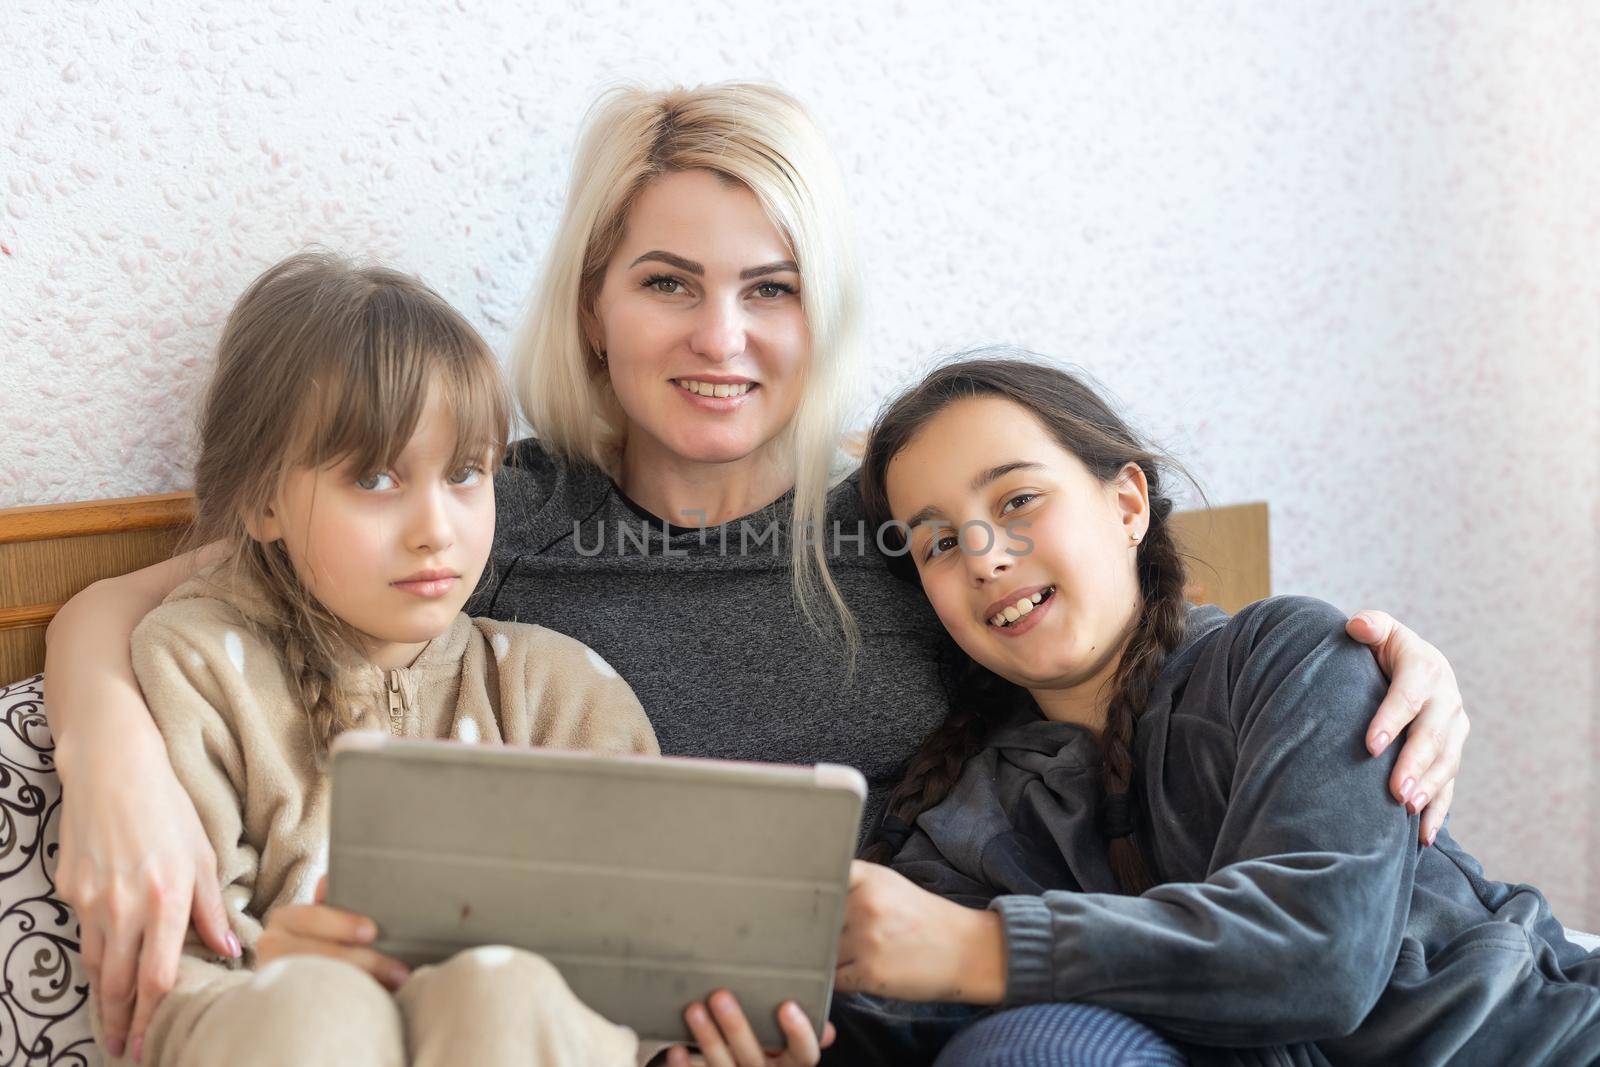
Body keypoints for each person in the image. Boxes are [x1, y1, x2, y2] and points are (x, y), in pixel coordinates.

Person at [44, 84, 1470, 1065]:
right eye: (668, 280)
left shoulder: (906, 522)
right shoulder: (486, 508)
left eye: (770, 288)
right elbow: (174, 589)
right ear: (596, 304)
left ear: (816, 311)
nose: (720, 336)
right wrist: (112, 758)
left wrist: (1377, 661)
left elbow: (1107, 638)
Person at [833, 353, 1600, 1066]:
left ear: (1127, 504)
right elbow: (880, 1009)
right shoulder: (977, 810)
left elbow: (1320, 954)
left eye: (1020, 499)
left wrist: (981, 947)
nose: (985, 556)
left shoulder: (1288, 656)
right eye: (937, 543)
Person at [102, 251, 662, 1065]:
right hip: (265, 1021)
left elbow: (643, 963)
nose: (435, 526)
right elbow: (169, 964)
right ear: (262, 501)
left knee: (500, 988)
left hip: (514, 1029)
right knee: (320, 1009)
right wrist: (277, 965)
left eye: (467, 473)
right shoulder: (199, 666)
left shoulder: (562, 692)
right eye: (374, 478)